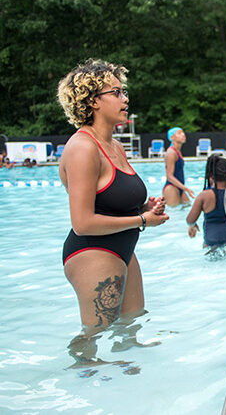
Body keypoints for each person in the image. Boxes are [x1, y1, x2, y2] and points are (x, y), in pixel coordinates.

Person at [57, 59, 169, 336]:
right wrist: (142, 219)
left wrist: (146, 207)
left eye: (124, 92)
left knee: (131, 332)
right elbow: (82, 223)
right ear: (93, 100)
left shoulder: (114, 145)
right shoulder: (83, 148)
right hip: (93, 253)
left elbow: (112, 203)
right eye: (116, 92)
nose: (125, 98)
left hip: (124, 251)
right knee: (91, 344)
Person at [163, 127, 195, 206]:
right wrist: (185, 188)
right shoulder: (171, 153)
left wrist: (183, 188)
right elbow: (169, 176)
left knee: (187, 207)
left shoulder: (177, 151)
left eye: (183, 132)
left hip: (179, 187)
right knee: (174, 214)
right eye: (179, 133)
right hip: (171, 188)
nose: (183, 135)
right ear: (171, 137)